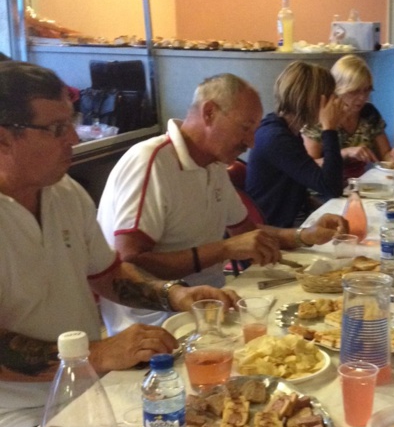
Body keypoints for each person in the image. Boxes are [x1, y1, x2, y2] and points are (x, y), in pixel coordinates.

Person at [0, 62, 237, 427]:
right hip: (15, 420)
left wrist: (173, 295)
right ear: (4, 138)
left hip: (88, 393)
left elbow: (109, 275)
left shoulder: (64, 192)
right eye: (57, 129)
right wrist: (97, 353)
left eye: (71, 122)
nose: (74, 138)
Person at [98, 73, 347, 334]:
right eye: (245, 127)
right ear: (209, 113)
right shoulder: (150, 162)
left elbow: (248, 233)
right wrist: (224, 248)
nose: (251, 142)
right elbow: (130, 261)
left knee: (315, 324)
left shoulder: (213, 164)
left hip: (215, 304)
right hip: (158, 322)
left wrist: (306, 235)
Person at [245, 61, 344, 227]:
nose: (334, 103)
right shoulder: (276, 138)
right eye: (330, 96)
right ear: (313, 100)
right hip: (274, 232)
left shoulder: (285, 130)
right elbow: (331, 187)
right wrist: (329, 129)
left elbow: (297, 189)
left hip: (289, 222)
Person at [302, 55, 394, 179]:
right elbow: (308, 166)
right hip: (322, 191)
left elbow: (384, 155)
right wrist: (345, 153)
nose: (362, 98)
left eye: (367, 90)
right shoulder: (319, 117)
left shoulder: (368, 113)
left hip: (357, 186)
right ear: (337, 89)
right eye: (354, 91)